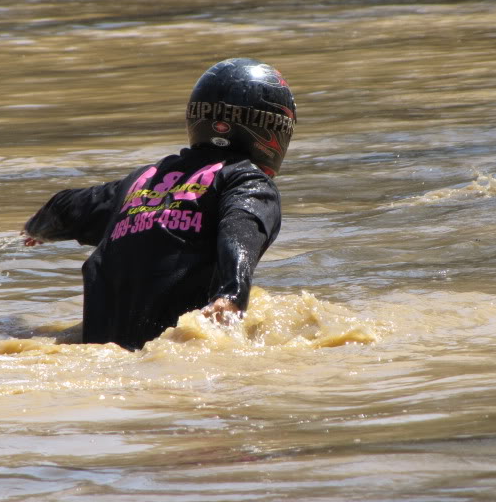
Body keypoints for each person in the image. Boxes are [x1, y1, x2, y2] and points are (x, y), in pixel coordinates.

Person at [22, 58, 297, 350]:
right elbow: (239, 229)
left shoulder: (139, 183)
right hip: (170, 357)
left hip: (102, 357)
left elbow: (64, 206)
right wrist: (232, 296)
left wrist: (39, 230)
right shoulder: (247, 181)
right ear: (272, 129)